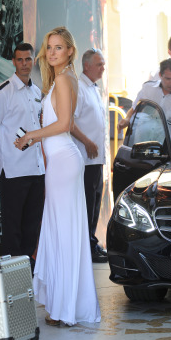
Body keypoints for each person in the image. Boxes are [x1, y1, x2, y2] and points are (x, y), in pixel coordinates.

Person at [15, 26, 101, 326]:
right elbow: (68, 123)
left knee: (64, 233)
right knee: (60, 232)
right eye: (49, 47)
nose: (51, 52)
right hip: (61, 161)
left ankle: (66, 310)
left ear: (70, 51)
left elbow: (63, 124)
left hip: (64, 161)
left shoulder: (64, 80)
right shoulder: (62, 80)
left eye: (58, 47)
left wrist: (31, 136)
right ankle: (64, 307)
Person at [0, 43, 45, 272]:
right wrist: (14, 142)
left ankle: (26, 269)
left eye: (28, 59)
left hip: (36, 169)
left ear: (32, 61)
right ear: (13, 62)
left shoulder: (36, 92)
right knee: (12, 228)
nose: (24, 64)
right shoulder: (3, 92)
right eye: (19, 60)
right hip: (13, 170)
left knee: (32, 226)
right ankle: (13, 274)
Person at [71, 48, 107, 263]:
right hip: (84, 159)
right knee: (86, 204)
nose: (103, 68)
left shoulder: (93, 88)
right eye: (99, 64)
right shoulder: (79, 88)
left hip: (97, 159)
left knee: (94, 204)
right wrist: (87, 141)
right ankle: (85, 248)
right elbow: (69, 122)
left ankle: (91, 243)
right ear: (87, 66)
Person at [118, 58, 171, 154]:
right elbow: (134, 108)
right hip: (139, 147)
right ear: (160, 75)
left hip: (165, 153)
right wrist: (127, 119)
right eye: (168, 79)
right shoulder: (147, 88)